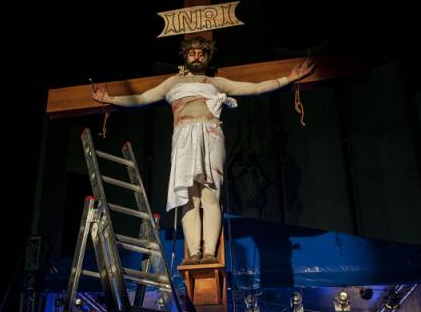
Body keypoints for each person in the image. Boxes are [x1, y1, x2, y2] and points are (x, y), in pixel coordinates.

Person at [92, 37, 315, 265]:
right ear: (185, 56)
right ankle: (193, 253)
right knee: (190, 197)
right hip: (183, 139)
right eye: (192, 53)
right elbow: (141, 98)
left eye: (202, 53)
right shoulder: (172, 83)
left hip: (210, 136)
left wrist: (290, 78)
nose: (197, 56)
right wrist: (109, 98)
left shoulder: (215, 82)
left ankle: (209, 251)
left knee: (210, 194)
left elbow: (255, 88)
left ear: (208, 57)